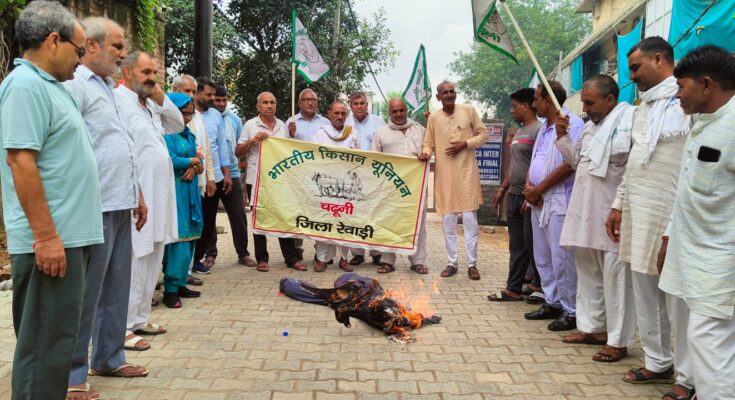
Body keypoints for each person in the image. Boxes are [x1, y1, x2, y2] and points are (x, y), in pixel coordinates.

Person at [0, 3, 102, 399]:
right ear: (53, 40)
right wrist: (45, 238)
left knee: (56, 343)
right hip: (51, 241)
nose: (81, 60)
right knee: (44, 347)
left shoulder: (49, 88)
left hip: (67, 237)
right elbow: (20, 161)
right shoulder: (24, 86)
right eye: (79, 50)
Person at [63, 17, 149, 396]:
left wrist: (138, 195)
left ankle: (109, 357)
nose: (122, 53)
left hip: (120, 200)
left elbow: (122, 145)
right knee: (86, 294)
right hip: (92, 205)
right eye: (116, 46)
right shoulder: (74, 85)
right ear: (92, 47)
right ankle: (72, 373)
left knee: (116, 287)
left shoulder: (110, 89)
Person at [605, 37, 693, 397]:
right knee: (643, 284)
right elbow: (635, 161)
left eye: (637, 68)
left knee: (677, 297)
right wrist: (618, 204)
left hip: (675, 212)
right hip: (639, 209)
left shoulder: (689, 101)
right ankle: (658, 361)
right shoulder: (640, 109)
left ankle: (689, 377)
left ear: (660, 59)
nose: (632, 77)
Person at [657, 45, 735, 400]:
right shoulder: (702, 124)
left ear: (706, 85)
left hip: (721, 260)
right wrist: (669, 236)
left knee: (708, 343)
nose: (677, 95)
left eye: (681, 86)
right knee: (700, 339)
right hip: (689, 252)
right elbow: (688, 190)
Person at [554, 75, 637, 363]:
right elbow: (577, 163)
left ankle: (618, 340)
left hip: (611, 213)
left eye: (590, 102)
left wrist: (621, 206)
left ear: (610, 99)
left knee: (616, 280)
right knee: (588, 275)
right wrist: (562, 136)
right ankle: (592, 329)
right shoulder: (589, 128)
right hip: (584, 212)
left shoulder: (630, 121)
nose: (585, 108)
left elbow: (634, 171)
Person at [116, 51, 184, 322]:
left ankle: (141, 318)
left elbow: (177, 123)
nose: (152, 79)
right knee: (137, 256)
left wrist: (158, 96)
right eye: (146, 73)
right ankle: (126, 324)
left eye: (155, 73)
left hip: (160, 194)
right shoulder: (118, 101)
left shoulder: (152, 104)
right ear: (127, 72)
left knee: (155, 254)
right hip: (138, 193)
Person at [522, 81, 584, 332]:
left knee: (562, 259)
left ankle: (571, 310)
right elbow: (535, 160)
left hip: (559, 200)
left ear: (549, 101)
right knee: (543, 256)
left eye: (536, 99)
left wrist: (540, 188)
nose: (534, 104)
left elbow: (570, 164)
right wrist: (529, 188)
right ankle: (552, 301)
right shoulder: (544, 128)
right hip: (538, 200)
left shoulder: (572, 124)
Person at [419, 81, 489, 280]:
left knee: (470, 223)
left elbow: (484, 135)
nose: (449, 95)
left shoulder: (468, 110)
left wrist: (465, 144)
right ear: (438, 96)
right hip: (445, 178)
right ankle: (452, 263)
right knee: (448, 223)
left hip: (467, 176)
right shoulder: (433, 117)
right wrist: (425, 154)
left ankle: (472, 264)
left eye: (452, 91)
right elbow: (428, 143)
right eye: (445, 92)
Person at [235, 92, 305, 272]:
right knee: (260, 217)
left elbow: (287, 151)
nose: (269, 106)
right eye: (265, 102)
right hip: (256, 179)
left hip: (279, 181)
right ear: (258, 106)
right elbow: (238, 151)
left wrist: (292, 135)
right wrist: (253, 141)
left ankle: (291, 258)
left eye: (272, 102)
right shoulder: (250, 125)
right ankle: (262, 258)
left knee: (284, 216)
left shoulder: (282, 125)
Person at [488, 88, 542, 302]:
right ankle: (513, 288)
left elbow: (539, 165)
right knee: (517, 246)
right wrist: (502, 189)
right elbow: (515, 167)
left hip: (529, 198)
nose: (512, 110)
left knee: (534, 246)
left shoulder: (539, 130)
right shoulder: (519, 133)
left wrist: (531, 197)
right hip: (513, 195)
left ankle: (538, 286)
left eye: (514, 106)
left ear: (525, 106)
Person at [199, 83, 255, 268]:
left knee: (238, 215)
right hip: (209, 174)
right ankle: (210, 253)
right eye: (218, 100)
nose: (222, 103)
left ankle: (243, 253)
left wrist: (231, 172)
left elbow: (234, 148)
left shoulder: (234, 120)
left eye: (224, 100)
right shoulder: (200, 117)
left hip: (231, 173)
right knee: (209, 216)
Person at [371, 98, 427, 274]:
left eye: (401, 110)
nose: (398, 114)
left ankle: (417, 261)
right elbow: (375, 160)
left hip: (416, 185)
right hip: (391, 186)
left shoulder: (421, 130)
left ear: (406, 110)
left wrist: (426, 154)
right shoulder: (381, 132)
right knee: (390, 221)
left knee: (419, 222)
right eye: (394, 111)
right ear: (389, 113)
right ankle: (388, 261)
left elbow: (431, 149)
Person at [162, 92, 204, 309]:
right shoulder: (165, 134)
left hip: (190, 191)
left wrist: (195, 166)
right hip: (174, 190)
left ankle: (180, 284)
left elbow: (200, 163)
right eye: (182, 113)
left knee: (190, 239)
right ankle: (170, 289)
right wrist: (193, 160)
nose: (186, 118)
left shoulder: (189, 135)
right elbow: (168, 159)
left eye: (190, 114)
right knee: (178, 240)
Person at [172, 74, 213, 286]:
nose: (191, 96)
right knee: (177, 233)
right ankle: (172, 278)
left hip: (195, 181)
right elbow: (169, 154)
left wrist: (203, 171)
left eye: (193, 92)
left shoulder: (198, 118)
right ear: (175, 90)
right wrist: (191, 162)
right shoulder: (166, 120)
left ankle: (184, 274)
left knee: (193, 228)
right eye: (186, 91)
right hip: (174, 184)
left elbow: (205, 150)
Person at [311, 101, 362, 272]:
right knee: (323, 221)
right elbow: (314, 158)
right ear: (329, 114)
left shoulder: (352, 133)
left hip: (345, 188)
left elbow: (360, 159)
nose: (340, 117)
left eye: (343, 113)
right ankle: (322, 259)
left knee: (345, 222)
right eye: (336, 113)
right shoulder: (320, 134)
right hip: (326, 187)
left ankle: (344, 258)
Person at [192, 77, 232, 274]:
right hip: (191, 177)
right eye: (208, 95)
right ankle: (184, 262)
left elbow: (220, 147)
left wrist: (226, 174)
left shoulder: (215, 115)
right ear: (197, 93)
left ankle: (197, 258)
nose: (212, 99)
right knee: (193, 220)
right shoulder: (187, 114)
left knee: (208, 222)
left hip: (213, 177)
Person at [345, 91, 385, 266]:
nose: (359, 106)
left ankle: (377, 253)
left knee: (374, 213)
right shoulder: (345, 124)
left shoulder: (378, 122)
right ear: (351, 106)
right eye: (355, 104)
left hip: (374, 175)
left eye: (362, 103)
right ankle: (357, 253)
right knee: (355, 214)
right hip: (353, 176)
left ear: (367, 105)